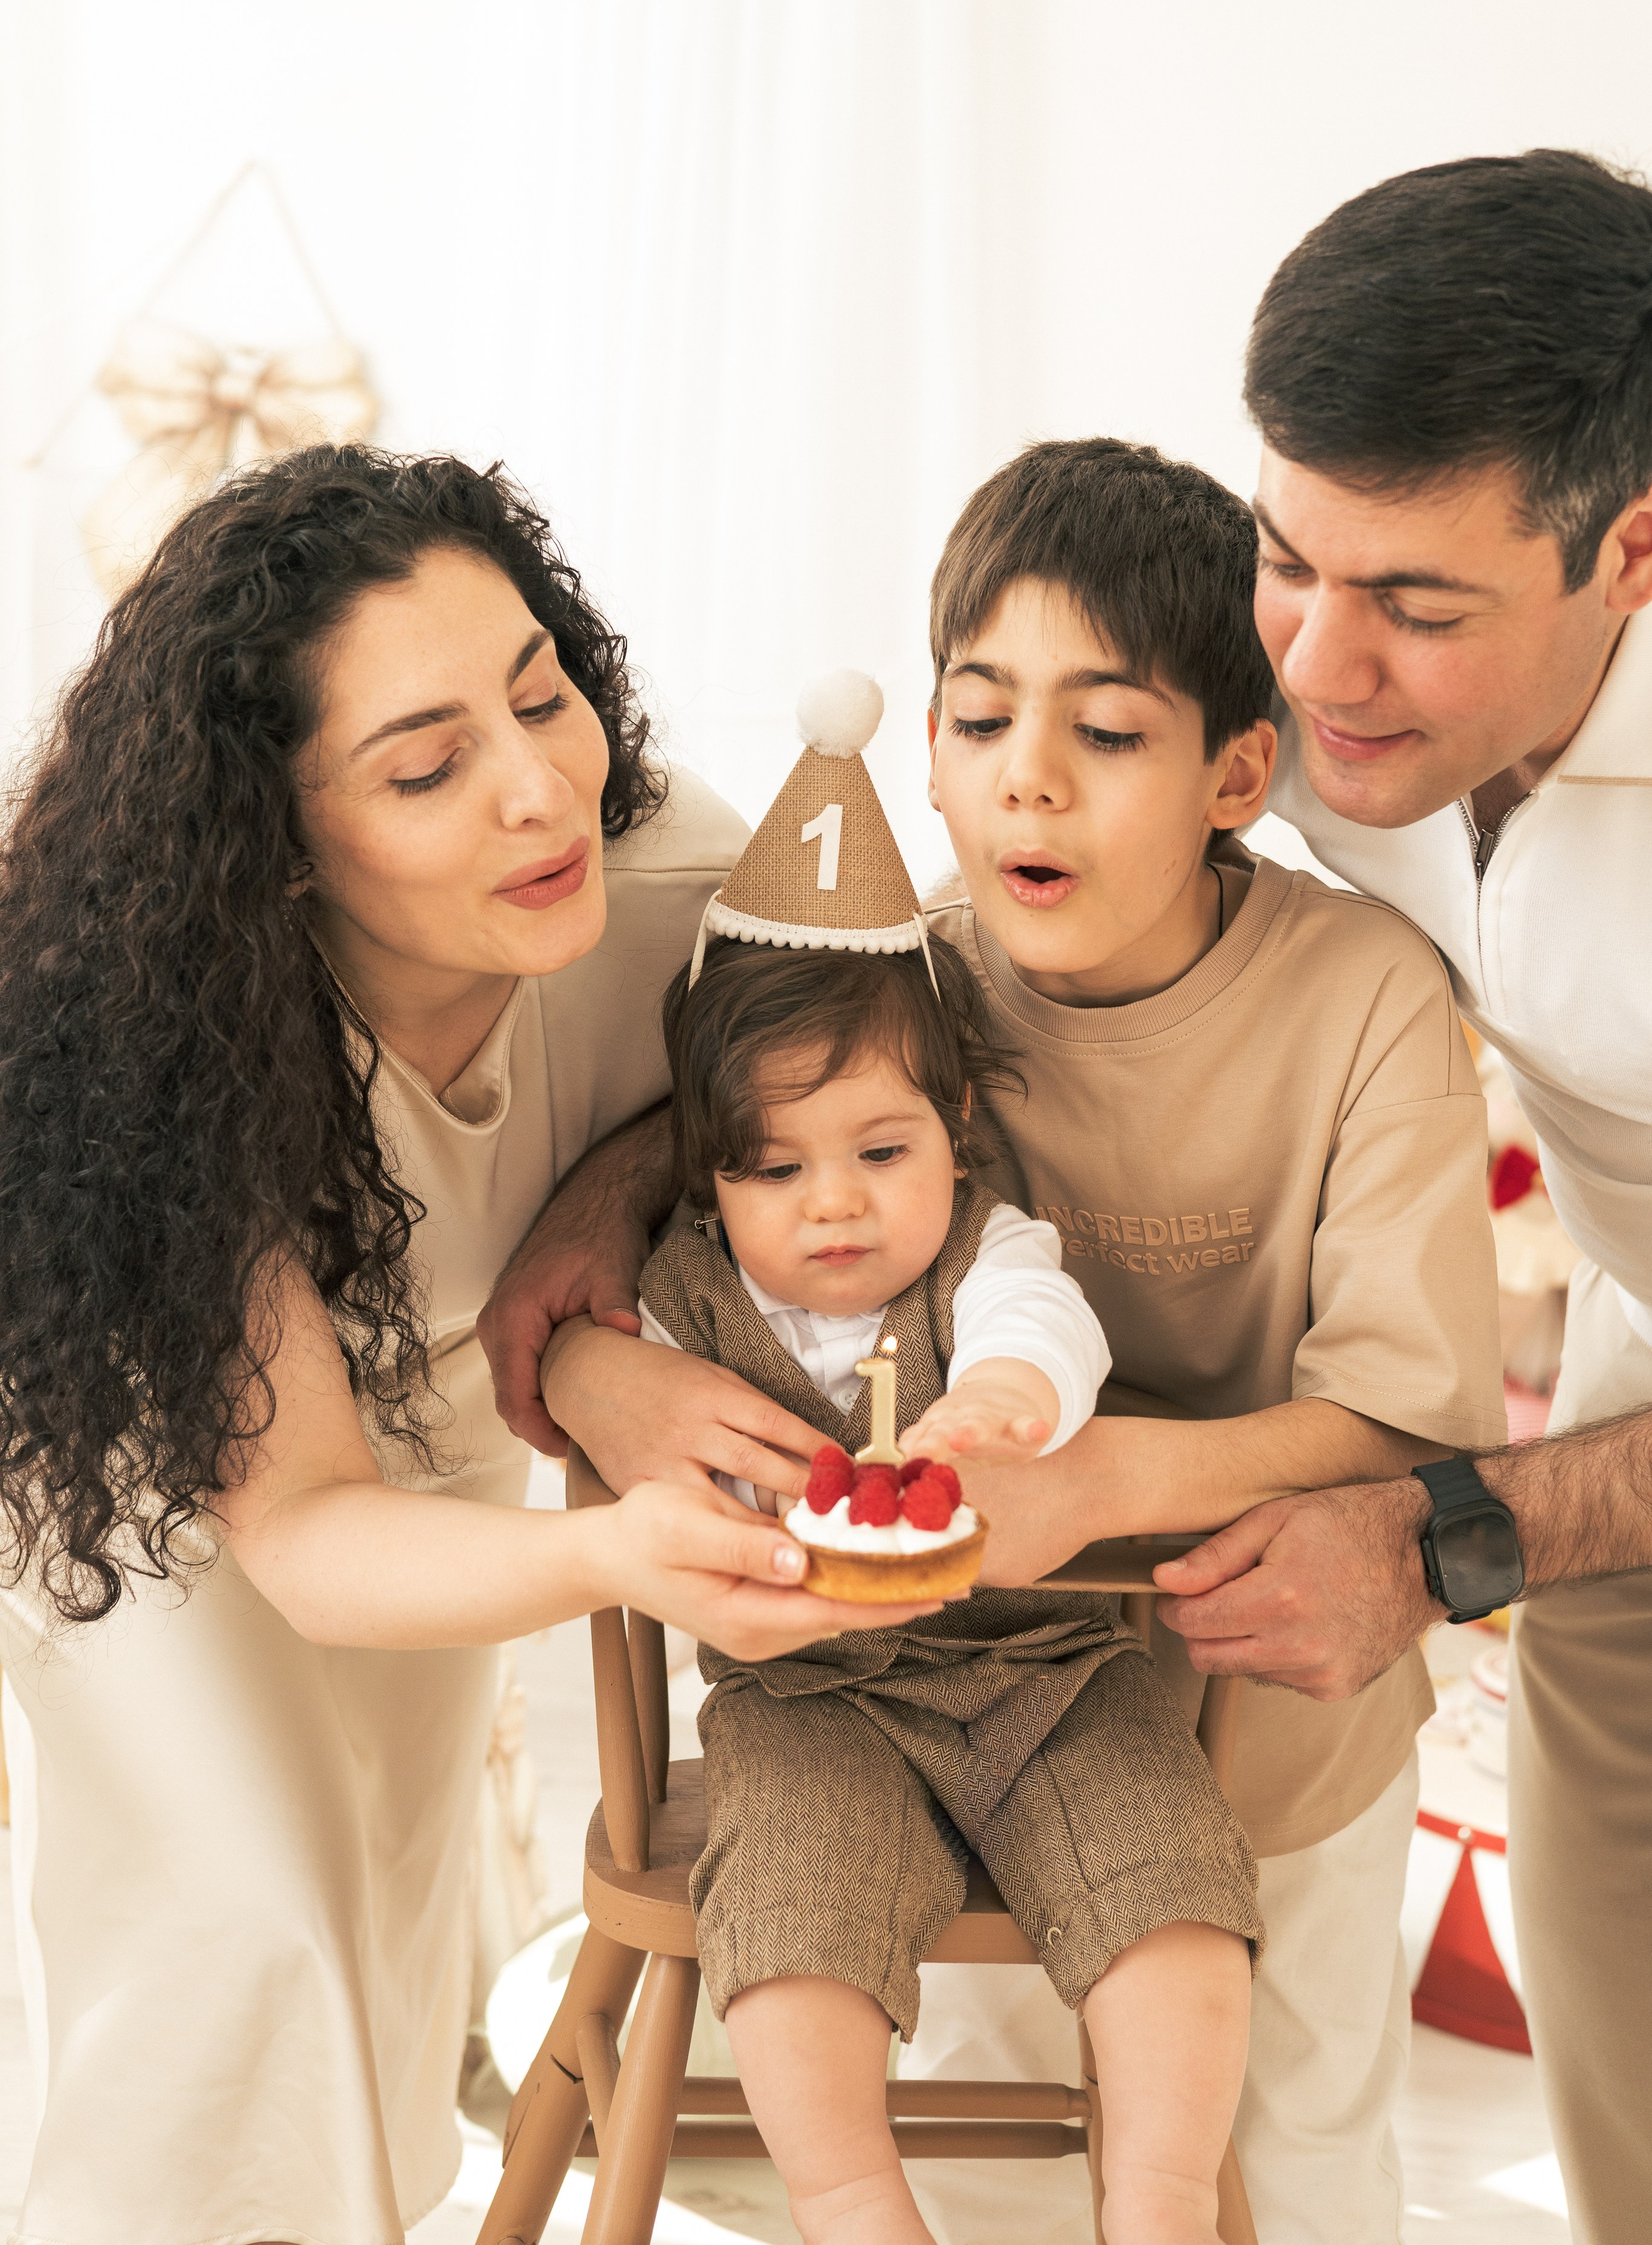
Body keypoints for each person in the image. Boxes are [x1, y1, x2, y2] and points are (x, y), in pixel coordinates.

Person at [482, 439, 1509, 2245]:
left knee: (1301, 2158)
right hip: (918, 1713)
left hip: (1274, 1717)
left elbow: (1408, 1425)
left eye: (1107, 735)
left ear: (1238, 775)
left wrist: (1098, 1479)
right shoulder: (901, 986)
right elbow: (725, 1168)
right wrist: (595, 1362)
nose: (1027, 782)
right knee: (981, 2141)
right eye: (976, 721)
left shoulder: (1366, 1006)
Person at [0, 446, 924, 2245]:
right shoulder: (184, 1051)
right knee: (238, 1926)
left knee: (383, 1895)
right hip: (151, 1437)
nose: (538, 791)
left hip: (426, 1404)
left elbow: (894, 1062)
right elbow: (304, 1530)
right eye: (428, 768)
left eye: (542, 694)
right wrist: (608, 1545)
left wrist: (610, 1195)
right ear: (269, 847)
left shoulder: (675, 891)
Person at [1151, 148, 1652, 2245]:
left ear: (1634, 550)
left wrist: (1455, 1530)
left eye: (1420, 608)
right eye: (1293, 561)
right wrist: (626, 1172)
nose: (1321, 666)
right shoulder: (1313, 677)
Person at [638, 681, 1260, 2245]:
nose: (831, 1204)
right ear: (707, 1178)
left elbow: (1043, 1327)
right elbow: (648, 1465)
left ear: (956, 1127)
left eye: (879, 1151)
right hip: (807, 1693)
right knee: (784, 1923)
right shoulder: (681, 1298)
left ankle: (1163, 2195)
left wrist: (995, 1404)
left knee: (1168, 1882)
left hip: (1044, 1665)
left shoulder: (991, 1249)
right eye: (771, 1168)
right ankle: (856, 2206)